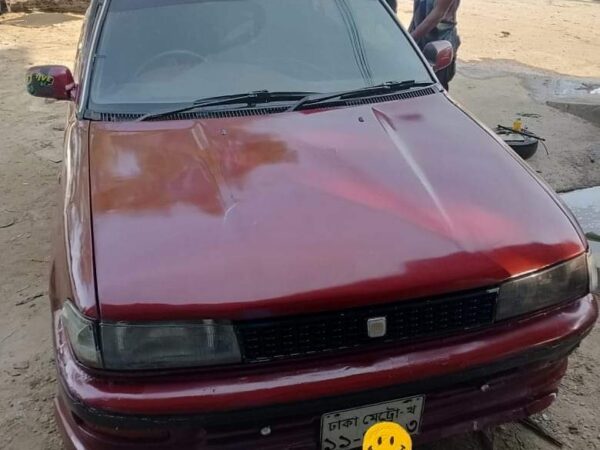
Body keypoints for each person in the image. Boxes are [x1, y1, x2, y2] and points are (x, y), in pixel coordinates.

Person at [409, 0, 461, 90]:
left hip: (440, 41)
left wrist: (410, 39)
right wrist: (407, 35)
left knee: (435, 86)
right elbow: (417, 14)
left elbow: (437, 15)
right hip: (419, 37)